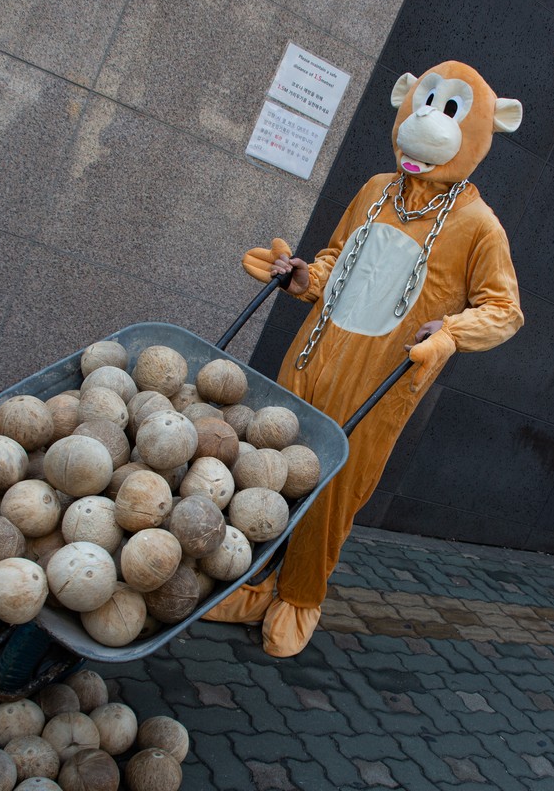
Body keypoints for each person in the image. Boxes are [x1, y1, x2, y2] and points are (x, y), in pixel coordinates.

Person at [204, 61, 525, 657]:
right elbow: (336, 260)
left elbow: (505, 309)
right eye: (425, 102)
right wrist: (302, 276)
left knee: (332, 493)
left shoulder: (479, 226)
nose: (429, 119)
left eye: (450, 109)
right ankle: (251, 581)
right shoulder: (375, 191)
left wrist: (451, 330)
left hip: (379, 386)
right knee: (268, 469)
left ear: (483, 128)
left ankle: (299, 598)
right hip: (310, 357)